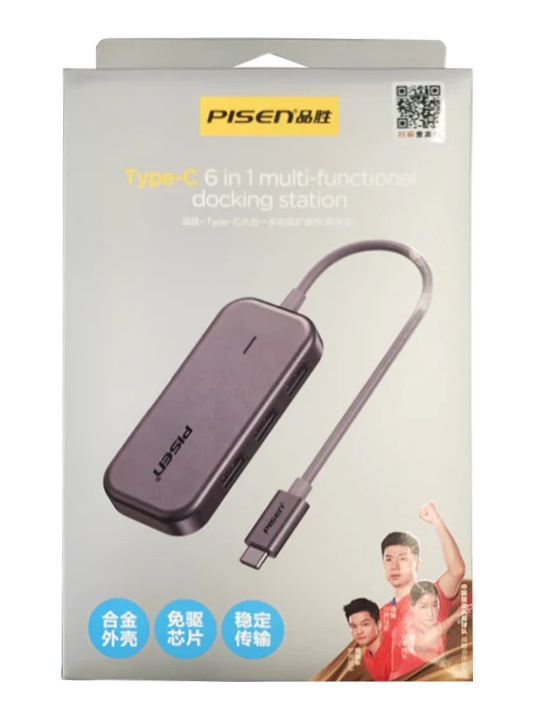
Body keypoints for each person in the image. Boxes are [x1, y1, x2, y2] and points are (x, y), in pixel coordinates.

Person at [380, 501, 466, 641]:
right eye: (389, 559)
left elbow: (457, 570)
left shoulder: (433, 595)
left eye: (402, 558)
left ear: (417, 564)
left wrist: (436, 521)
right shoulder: (381, 615)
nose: (394, 566)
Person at [389, 580, 472, 679]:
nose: (431, 613)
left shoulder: (438, 627)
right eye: (423, 607)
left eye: (435, 605)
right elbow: (423, 642)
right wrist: (455, 616)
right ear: (412, 607)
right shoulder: (402, 628)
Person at [343, 597, 391, 681]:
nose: (359, 631)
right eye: (353, 626)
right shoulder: (367, 656)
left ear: (378, 625)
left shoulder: (393, 654)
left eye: (365, 624)